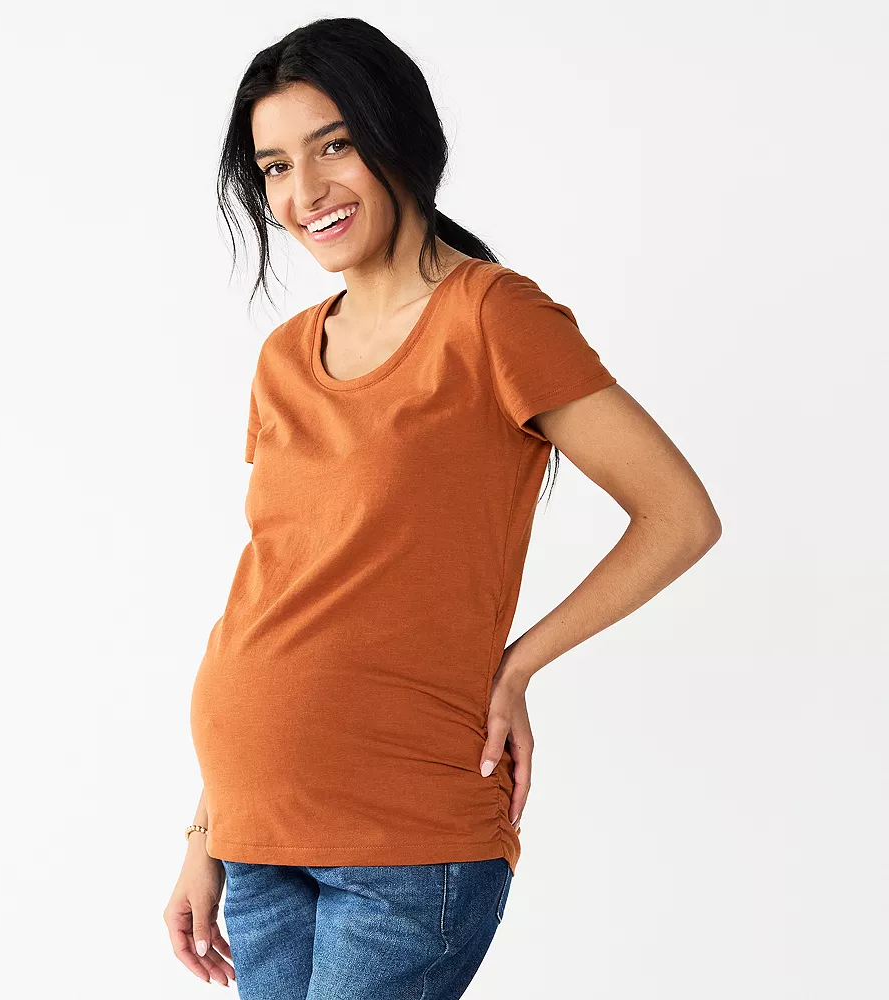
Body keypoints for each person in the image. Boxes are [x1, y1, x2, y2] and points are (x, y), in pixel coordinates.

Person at [163, 16, 722, 999]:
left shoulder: (494, 317)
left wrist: (517, 663)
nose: (305, 192)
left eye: (334, 145)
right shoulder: (286, 355)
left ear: (400, 136)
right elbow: (276, 593)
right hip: (253, 837)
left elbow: (679, 514)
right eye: (275, 166)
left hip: (405, 840)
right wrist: (205, 829)